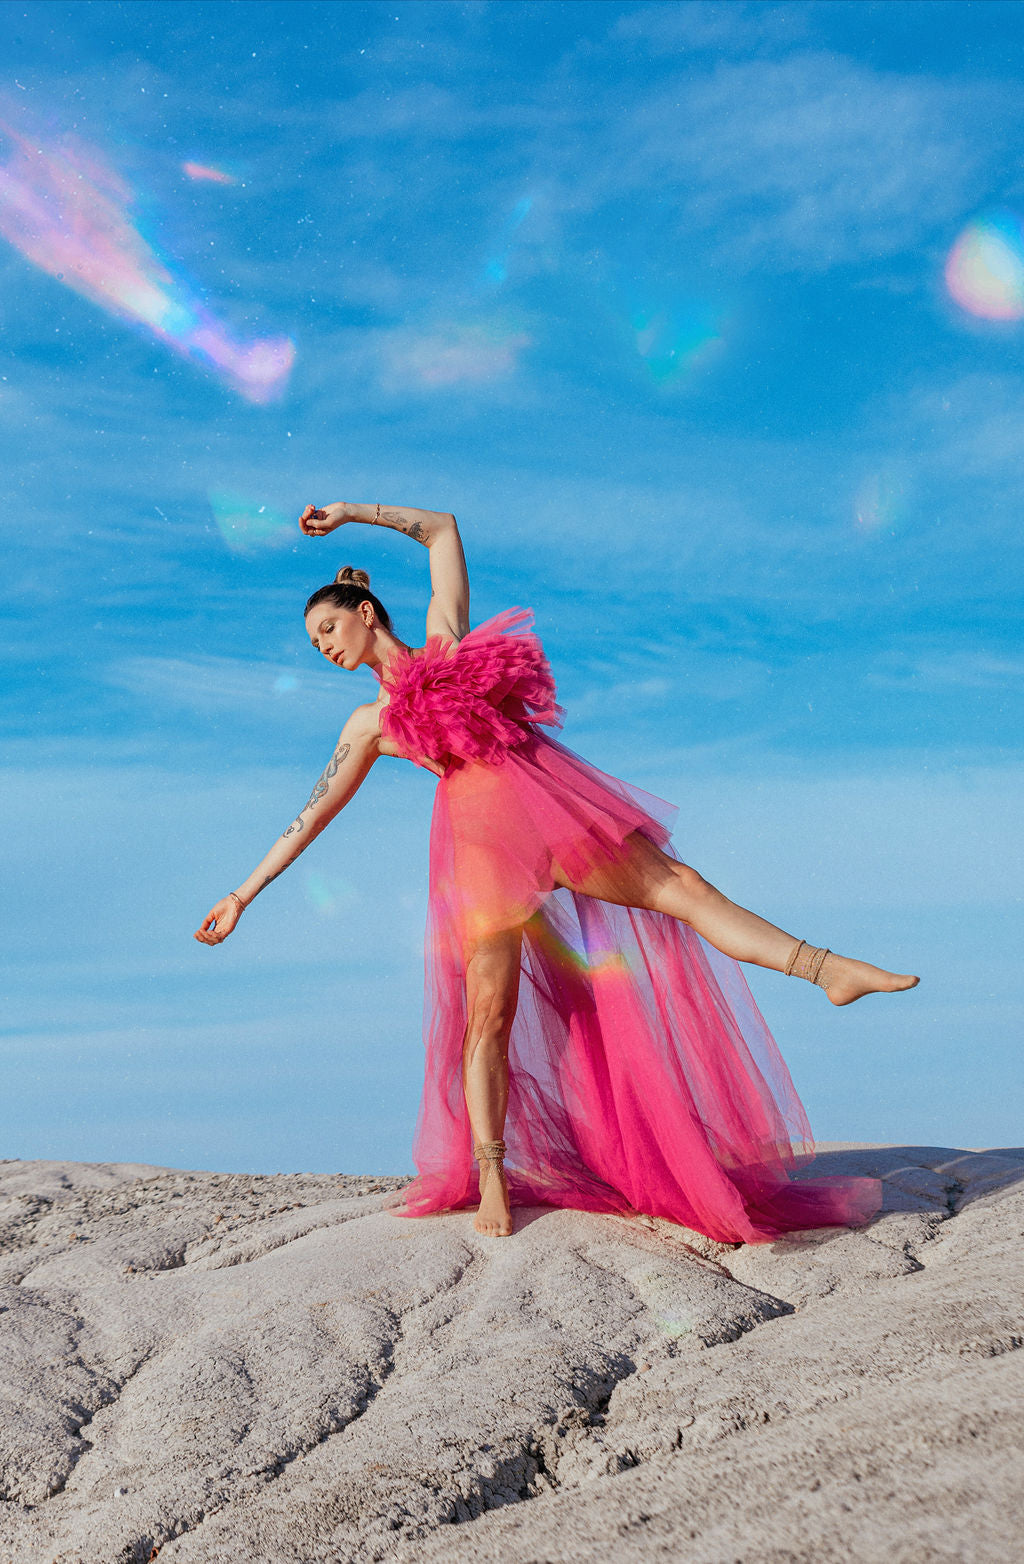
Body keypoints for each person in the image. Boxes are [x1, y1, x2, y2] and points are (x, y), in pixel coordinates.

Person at [195, 500, 918, 1242]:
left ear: (367, 611)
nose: (322, 647)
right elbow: (310, 815)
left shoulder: (446, 640)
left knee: (684, 888)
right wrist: (241, 894)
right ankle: (491, 1180)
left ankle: (827, 968)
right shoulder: (368, 724)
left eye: (327, 629)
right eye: (313, 643)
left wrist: (351, 512)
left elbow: (442, 528)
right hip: (480, 859)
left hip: (555, 812)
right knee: (489, 1017)